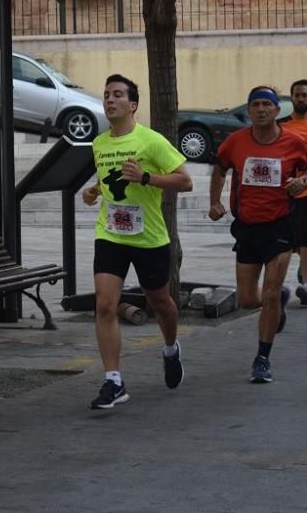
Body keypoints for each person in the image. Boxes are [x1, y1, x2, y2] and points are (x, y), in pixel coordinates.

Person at [83, 74, 193, 410]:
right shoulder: (99, 144)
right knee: (104, 304)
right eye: (106, 95)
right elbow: (110, 181)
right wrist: (94, 190)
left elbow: (185, 181)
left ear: (132, 105)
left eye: (117, 95)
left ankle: (171, 348)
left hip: (148, 238)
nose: (110, 100)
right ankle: (113, 381)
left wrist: (146, 177)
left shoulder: (151, 141)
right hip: (111, 233)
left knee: (160, 303)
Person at [209, 86, 307, 383]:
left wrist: (303, 180)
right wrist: (214, 201)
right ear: (249, 110)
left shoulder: (293, 142)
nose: (262, 109)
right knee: (247, 299)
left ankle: (262, 358)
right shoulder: (235, 142)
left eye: (268, 104)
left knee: (267, 294)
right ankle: (278, 298)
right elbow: (219, 169)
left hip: (280, 224)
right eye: (257, 105)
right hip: (248, 226)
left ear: (277, 110)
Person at [280, 79, 307, 306]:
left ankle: (305, 285)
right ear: (292, 98)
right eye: (297, 95)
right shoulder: (281, 126)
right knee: (287, 238)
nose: (301, 99)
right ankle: (287, 276)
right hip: (285, 191)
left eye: (305, 95)